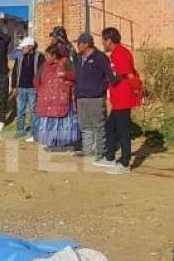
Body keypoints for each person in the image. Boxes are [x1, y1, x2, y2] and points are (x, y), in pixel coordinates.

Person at [99, 27, 142, 173]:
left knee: (123, 131)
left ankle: (125, 163)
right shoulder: (115, 53)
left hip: (123, 97)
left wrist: (136, 91)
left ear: (109, 40)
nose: (103, 43)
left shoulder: (121, 53)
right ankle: (110, 157)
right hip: (118, 98)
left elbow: (127, 73)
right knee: (110, 128)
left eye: (103, 40)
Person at [73, 32, 117, 162]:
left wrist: (103, 91)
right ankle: (88, 152)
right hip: (81, 97)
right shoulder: (79, 58)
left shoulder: (100, 57)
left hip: (95, 98)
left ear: (86, 44)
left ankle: (100, 152)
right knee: (85, 126)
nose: (77, 46)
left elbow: (109, 75)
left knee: (98, 126)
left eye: (79, 43)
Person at [33, 44, 80, 151]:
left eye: (48, 56)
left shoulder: (66, 63)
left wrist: (65, 75)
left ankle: (65, 144)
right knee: (49, 123)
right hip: (48, 102)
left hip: (63, 101)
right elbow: (36, 79)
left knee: (63, 124)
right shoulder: (44, 65)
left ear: (54, 56)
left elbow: (75, 75)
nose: (46, 58)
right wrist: (40, 90)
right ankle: (51, 142)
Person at [12, 36, 40, 141]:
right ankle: (20, 130)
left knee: (33, 111)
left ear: (30, 47)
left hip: (33, 89)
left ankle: (34, 132)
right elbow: (15, 72)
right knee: (20, 110)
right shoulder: (19, 57)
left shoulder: (39, 57)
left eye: (24, 47)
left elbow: (41, 73)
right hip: (21, 88)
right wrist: (14, 86)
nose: (22, 49)